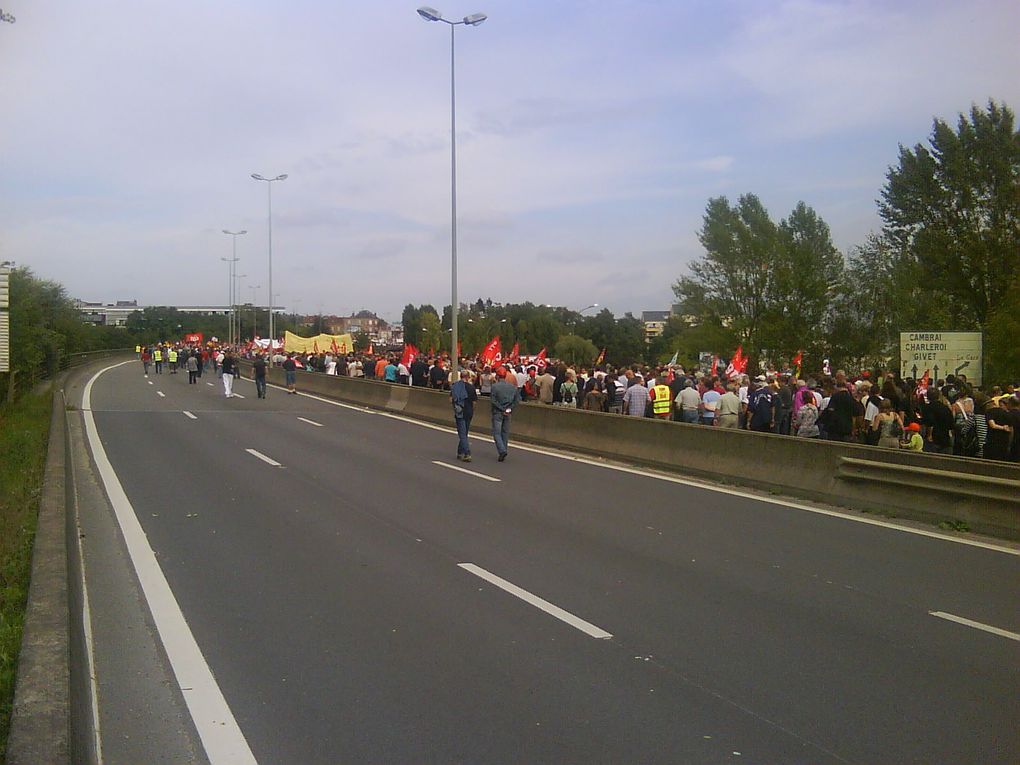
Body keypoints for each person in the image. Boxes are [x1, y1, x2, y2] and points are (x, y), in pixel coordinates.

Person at [489, 367, 521, 461]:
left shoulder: (495, 387)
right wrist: (509, 408)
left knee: (497, 433)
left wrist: (501, 408)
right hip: (508, 412)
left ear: (498, 376)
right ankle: (504, 449)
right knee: (505, 433)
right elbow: (517, 400)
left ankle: (502, 450)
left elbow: (493, 400)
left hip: (498, 412)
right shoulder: (512, 387)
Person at [450, 369, 478, 461]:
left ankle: (466, 452)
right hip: (469, 412)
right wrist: (472, 411)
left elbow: (451, 399)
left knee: (462, 433)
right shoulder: (471, 388)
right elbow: (474, 402)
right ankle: (461, 452)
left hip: (460, 412)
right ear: (468, 377)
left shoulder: (455, 386)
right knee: (464, 433)